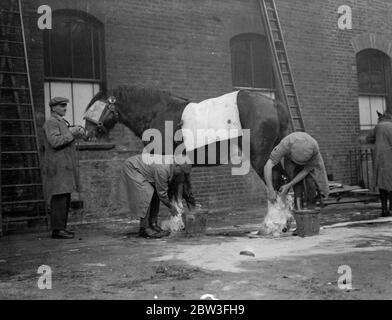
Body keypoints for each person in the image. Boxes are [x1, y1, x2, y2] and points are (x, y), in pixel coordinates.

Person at [119, 154, 195, 238]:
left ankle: (153, 224)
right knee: (146, 194)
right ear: (176, 166)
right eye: (182, 172)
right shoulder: (163, 169)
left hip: (142, 169)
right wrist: (171, 206)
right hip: (132, 168)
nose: (182, 175)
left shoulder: (172, 167)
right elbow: (162, 193)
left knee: (155, 194)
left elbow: (160, 193)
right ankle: (145, 228)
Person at [43, 97, 85, 239]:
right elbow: (54, 142)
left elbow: (65, 139)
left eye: (65, 106)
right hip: (57, 166)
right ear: (53, 108)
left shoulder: (60, 121)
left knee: (65, 196)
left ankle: (62, 228)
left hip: (64, 166)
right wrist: (71, 133)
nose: (65, 108)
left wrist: (75, 132)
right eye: (62, 106)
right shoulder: (51, 122)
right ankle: (57, 230)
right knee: (59, 197)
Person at [263, 132, 329, 209]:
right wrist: (271, 190)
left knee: (311, 182)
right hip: (290, 160)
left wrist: (289, 185)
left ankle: (311, 207)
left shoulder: (314, 149)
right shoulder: (286, 144)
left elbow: (306, 170)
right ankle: (297, 206)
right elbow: (267, 166)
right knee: (294, 181)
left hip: (309, 162)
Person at [366, 111, 392, 217]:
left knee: (382, 184)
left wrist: (377, 141)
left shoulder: (378, 127)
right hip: (390, 158)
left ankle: (384, 209)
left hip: (379, 159)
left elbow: (368, 138)